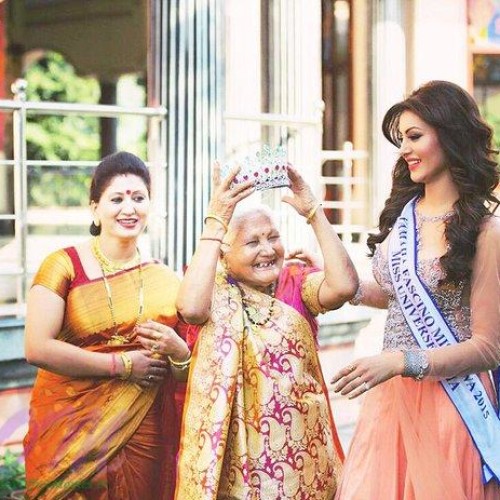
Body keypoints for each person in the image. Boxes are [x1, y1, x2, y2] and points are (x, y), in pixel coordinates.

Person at [332, 80, 500, 499]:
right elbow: (396, 294)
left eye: (415, 136)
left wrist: (402, 361)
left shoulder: (485, 231)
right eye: (401, 139)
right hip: (391, 402)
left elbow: (488, 347)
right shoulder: (403, 215)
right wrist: (344, 285)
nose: (405, 149)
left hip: (452, 405)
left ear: (451, 134)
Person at [174, 162, 359, 499]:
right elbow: (190, 309)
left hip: (301, 463)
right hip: (234, 467)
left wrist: (314, 212)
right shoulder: (212, 288)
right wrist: (217, 218)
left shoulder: (295, 282)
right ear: (225, 254)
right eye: (253, 242)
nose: (268, 249)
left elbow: (345, 286)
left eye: (273, 237)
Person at [24, 152, 191, 499]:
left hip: (142, 429)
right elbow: (37, 347)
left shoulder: (165, 280)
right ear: (95, 208)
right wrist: (124, 365)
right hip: (68, 426)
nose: (128, 209)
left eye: (138, 198)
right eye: (116, 199)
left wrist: (180, 354)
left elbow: (189, 366)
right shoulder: (62, 266)